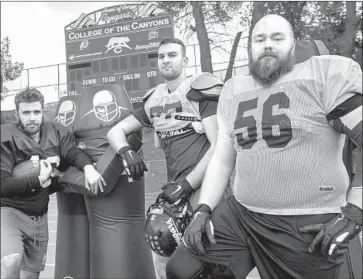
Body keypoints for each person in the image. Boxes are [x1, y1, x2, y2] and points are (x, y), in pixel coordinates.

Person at [166, 14, 362, 279]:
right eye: (259, 39)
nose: (267, 44)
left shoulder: (322, 76)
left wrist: (356, 210)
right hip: (243, 216)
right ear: (250, 48)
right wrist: (204, 208)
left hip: (308, 222)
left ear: (293, 45)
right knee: (184, 269)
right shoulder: (235, 89)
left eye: (277, 38)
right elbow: (223, 158)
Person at [107, 37, 232, 279]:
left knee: (215, 267)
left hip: (206, 189)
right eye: (161, 56)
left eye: (172, 55)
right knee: (164, 260)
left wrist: (187, 184)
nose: (166, 60)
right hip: (175, 193)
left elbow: (219, 147)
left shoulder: (199, 90)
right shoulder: (154, 99)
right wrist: (126, 152)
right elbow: (115, 131)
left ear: (185, 60)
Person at [0, 87, 106, 279]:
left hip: (39, 216)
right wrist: (38, 181)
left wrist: (89, 169)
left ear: (43, 112)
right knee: (10, 260)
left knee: (31, 275)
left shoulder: (55, 131)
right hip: (10, 212)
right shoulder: (6, 138)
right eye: (26, 112)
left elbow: (73, 154)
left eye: (36, 112)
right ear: (17, 114)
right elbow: (2, 185)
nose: (32, 117)